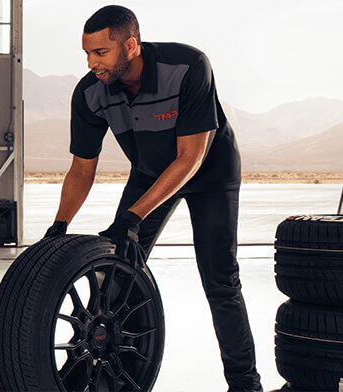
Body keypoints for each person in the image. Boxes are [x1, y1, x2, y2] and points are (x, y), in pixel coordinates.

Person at [43, 5, 262, 392]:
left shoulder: (189, 66)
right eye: (87, 54)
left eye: (101, 53)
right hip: (149, 173)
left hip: (210, 172)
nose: (93, 63)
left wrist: (134, 216)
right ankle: (114, 373)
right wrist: (59, 224)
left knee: (220, 280)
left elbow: (190, 158)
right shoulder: (91, 92)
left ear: (131, 45)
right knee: (116, 270)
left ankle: (246, 384)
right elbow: (81, 169)